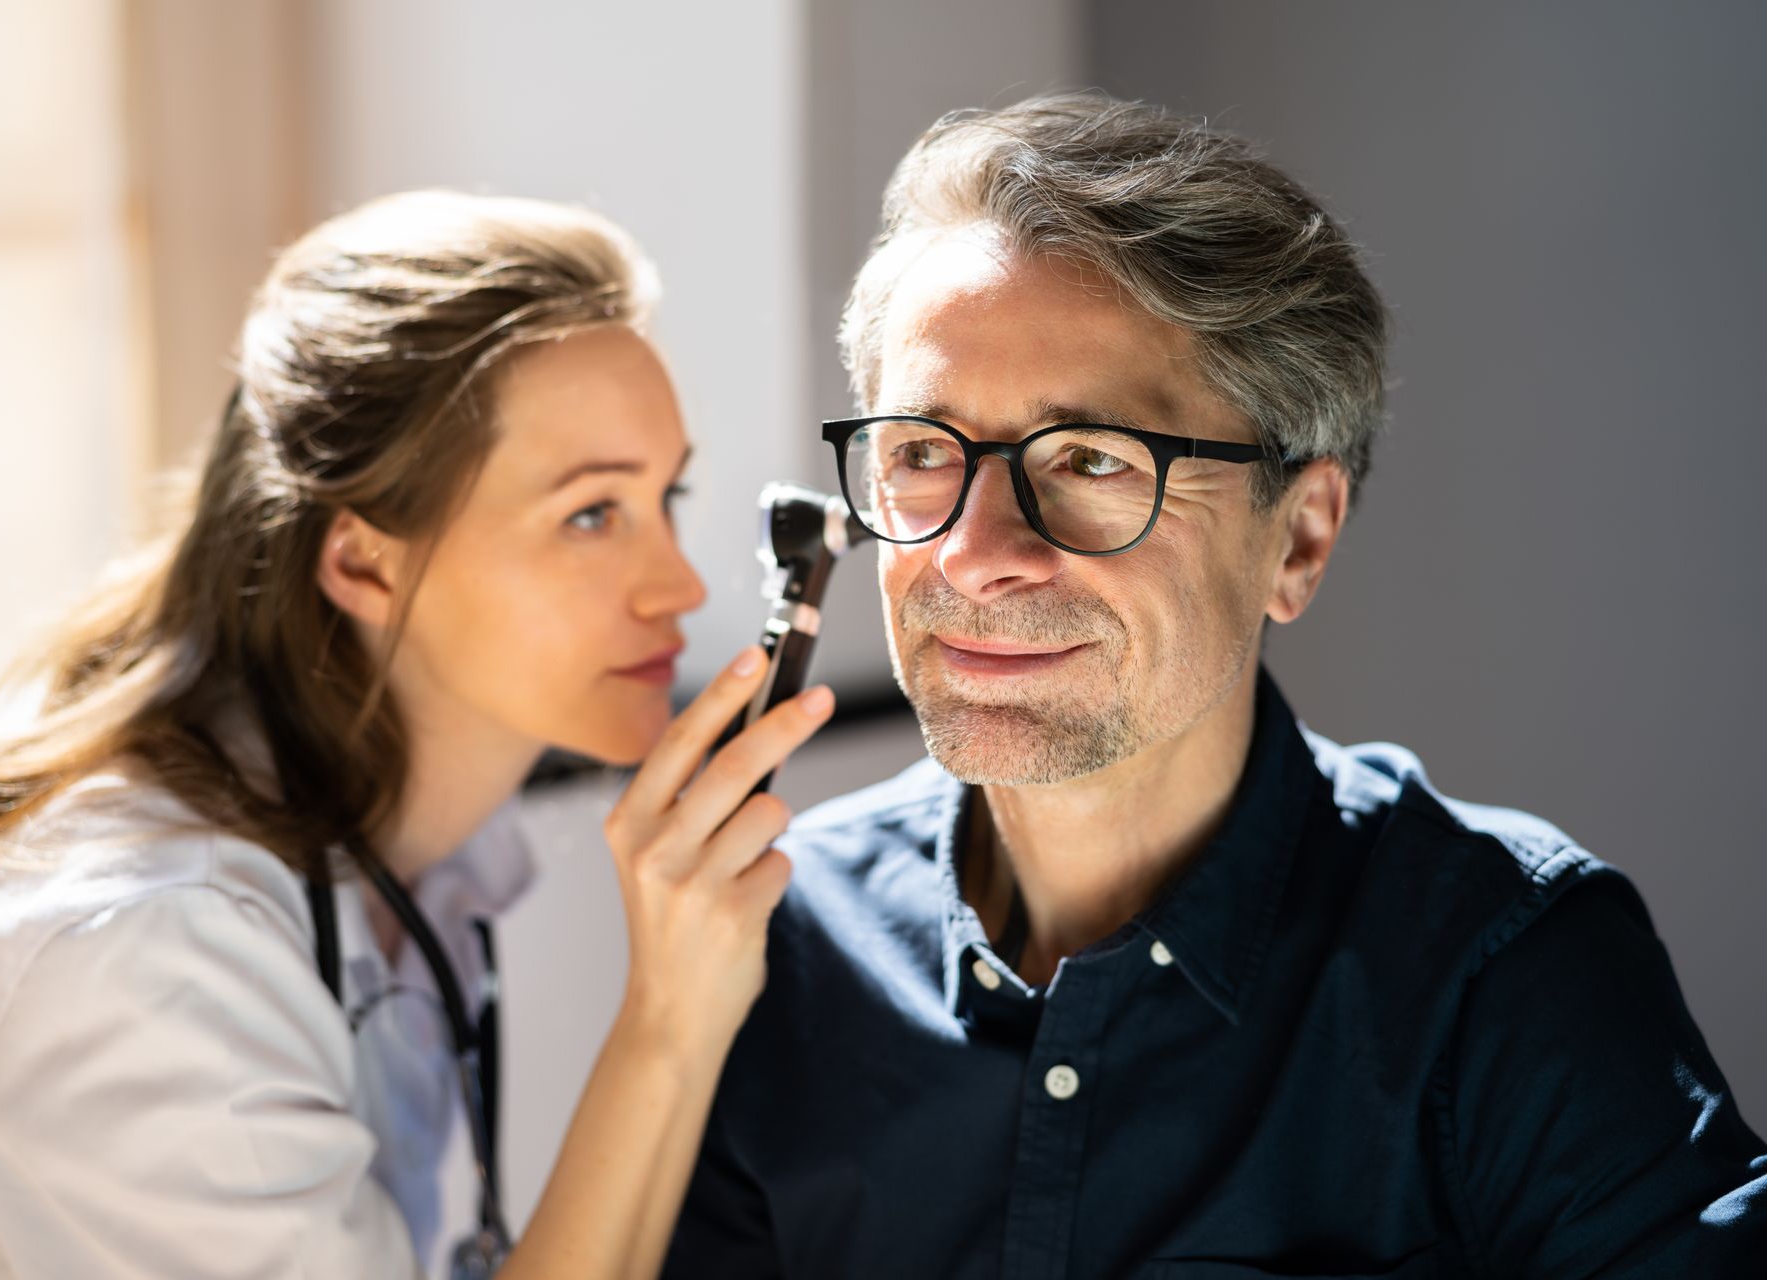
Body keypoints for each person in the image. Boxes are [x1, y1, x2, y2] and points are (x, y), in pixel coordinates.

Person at [662, 94, 1766, 1277]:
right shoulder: (775, 937)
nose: (973, 553)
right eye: (924, 453)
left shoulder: (1507, 976)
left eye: (1089, 459)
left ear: (1297, 538)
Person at [0, 189, 836, 1278]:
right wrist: (669, 1017)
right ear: (364, 561)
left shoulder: (424, 855)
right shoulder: (145, 954)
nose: (680, 584)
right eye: (591, 514)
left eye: (668, 496)